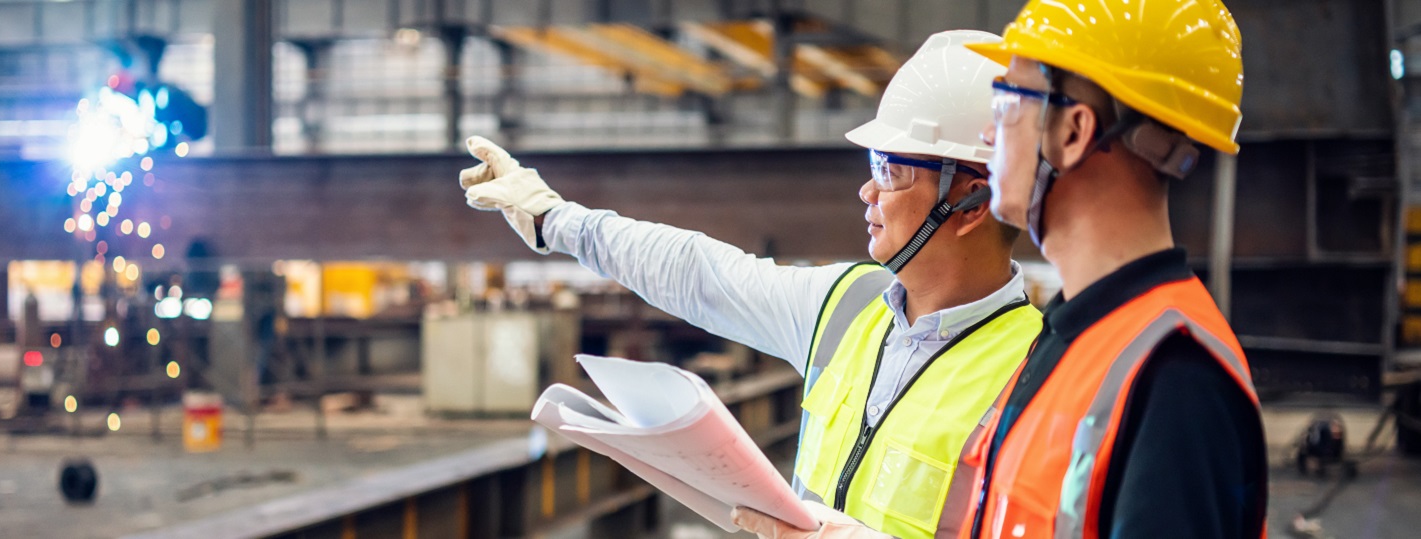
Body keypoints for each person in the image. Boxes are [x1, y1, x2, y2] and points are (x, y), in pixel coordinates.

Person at [459, 31, 1041, 539]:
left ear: (970, 203)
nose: (868, 193)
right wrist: (554, 219)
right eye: (873, 167)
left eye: (891, 171)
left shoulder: (1037, 374)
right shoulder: (847, 306)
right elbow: (699, 272)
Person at [942, 1, 1269, 538]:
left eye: (1006, 105)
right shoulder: (1073, 330)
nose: (987, 133)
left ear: (1073, 131)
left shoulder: (1176, 384)